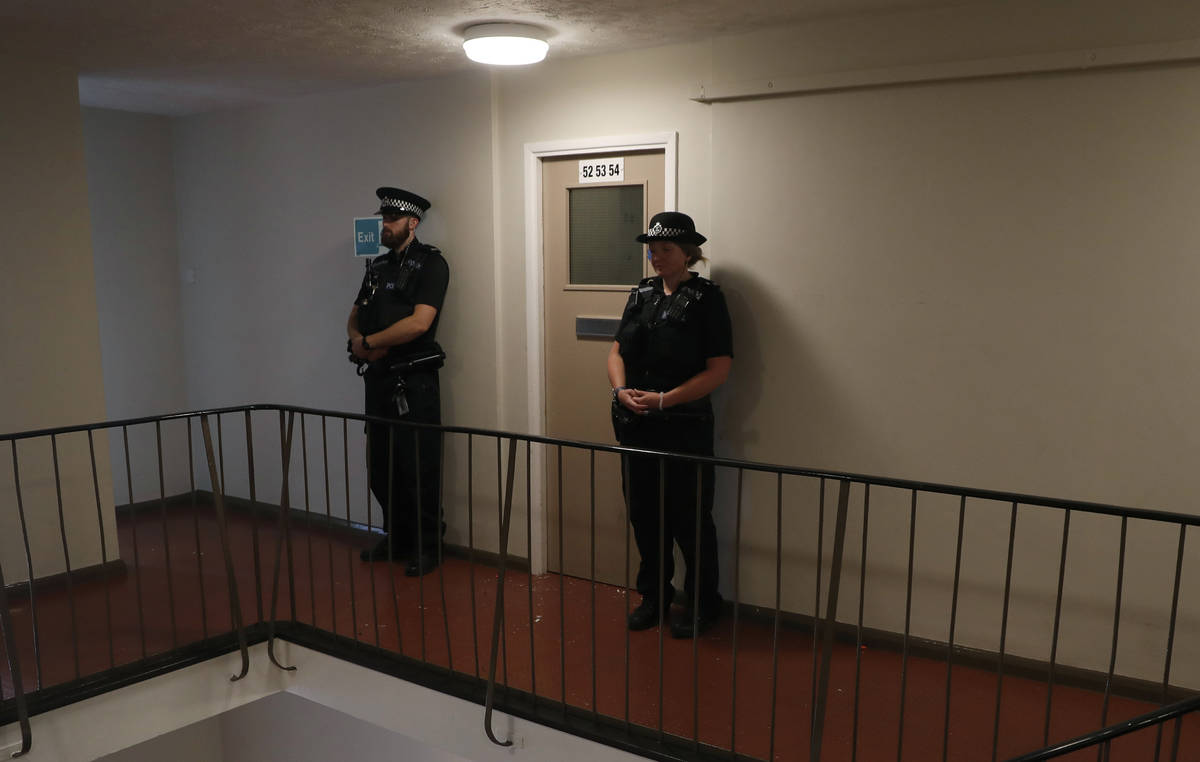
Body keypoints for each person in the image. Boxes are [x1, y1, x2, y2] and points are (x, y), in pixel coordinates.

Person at [607, 211, 733, 638]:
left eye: (666, 249)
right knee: (645, 516)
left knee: (690, 520)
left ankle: (703, 604)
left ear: (688, 253)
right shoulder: (641, 295)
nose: (656, 256)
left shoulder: (706, 299)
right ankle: (654, 598)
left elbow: (719, 370)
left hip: (684, 425)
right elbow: (616, 352)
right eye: (652, 249)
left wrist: (665, 399)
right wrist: (621, 390)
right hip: (636, 425)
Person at [347, 186, 449, 577]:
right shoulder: (377, 267)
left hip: (414, 381)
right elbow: (354, 314)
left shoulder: (431, 265)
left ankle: (427, 545)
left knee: (418, 465)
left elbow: (419, 322)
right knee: (382, 465)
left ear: (413, 222)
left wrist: (371, 343)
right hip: (379, 380)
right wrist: (358, 340)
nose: (384, 226)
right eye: (382, 219)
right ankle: (397, 536)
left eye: (391, 220)